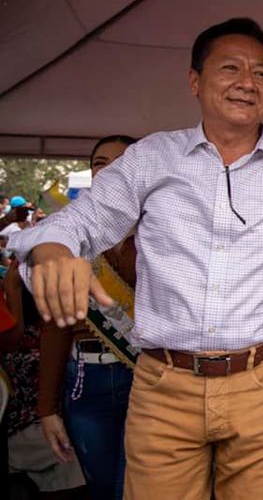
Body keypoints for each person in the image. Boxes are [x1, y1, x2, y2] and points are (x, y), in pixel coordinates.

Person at [8, 17, 263, 499]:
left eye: (261, 74)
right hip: (164, 386)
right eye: (230, 68)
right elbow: (84, 219)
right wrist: (51, 248)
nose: (247, 82)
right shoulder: (153, 157)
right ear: (194, 81)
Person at [37, 135, 138, 500]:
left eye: (121, 161)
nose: (108, 170)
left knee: (137, 488)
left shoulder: (165, 229)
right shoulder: (68, 233)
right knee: (103, 490)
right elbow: (56, 324)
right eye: (99, 163)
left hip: (147, 377)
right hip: (85, 381)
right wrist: (47, 407)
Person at [4, 262, 88, 498]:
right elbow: (12, 339)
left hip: (37, 434)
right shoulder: (34, 351)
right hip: (36, 436)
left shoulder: (36, 345)